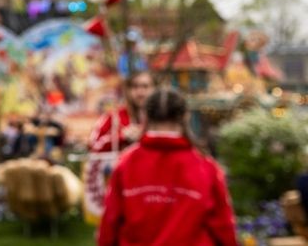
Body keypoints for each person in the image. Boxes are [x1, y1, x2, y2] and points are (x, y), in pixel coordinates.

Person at [97, 88, 237, 246]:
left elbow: (110, 222)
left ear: (146, 116)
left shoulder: (125, 163)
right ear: (185, 116)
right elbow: (223, 226)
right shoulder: (206, 166)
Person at [90, 71, 154, 154]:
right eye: (135, 87)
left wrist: (144, 136)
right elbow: (94, 145)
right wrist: (122, 136)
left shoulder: (161, 118)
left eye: (145, 87)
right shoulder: (113, 116)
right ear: (127, 90)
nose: (140, 92)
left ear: (154, 89)